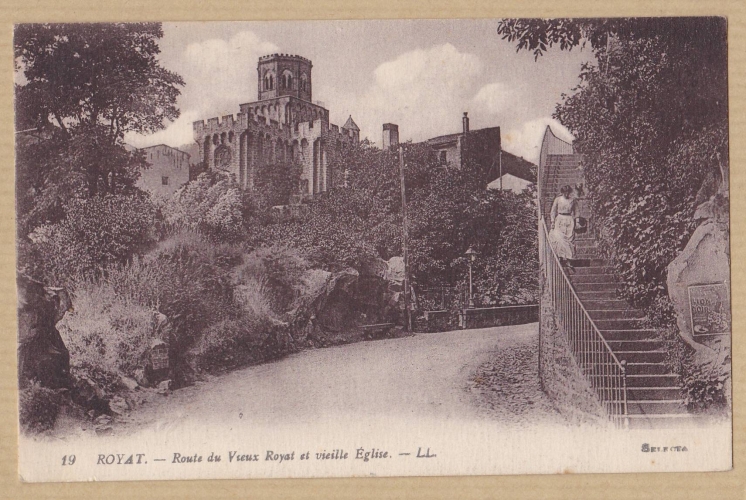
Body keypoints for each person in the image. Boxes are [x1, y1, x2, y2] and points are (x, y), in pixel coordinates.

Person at [549, 185, 577, 271]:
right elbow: (553, 211)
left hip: (569, 220)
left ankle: (569, 260)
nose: (566, 194)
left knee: (569, 240)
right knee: (559, 238)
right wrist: (553, 221)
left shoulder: (573, 200)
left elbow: (577, 211)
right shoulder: (558, 199)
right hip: (560, 220)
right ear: (562, 192)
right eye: (564, 192)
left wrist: (576, 220)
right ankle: (560, 257)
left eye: (568, 192)